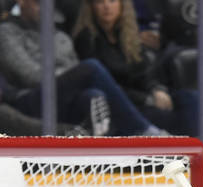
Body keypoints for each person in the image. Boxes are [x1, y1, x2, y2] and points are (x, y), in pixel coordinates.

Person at [0, 0, 166, 136]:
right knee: (90, 68)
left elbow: (74, 71)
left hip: (60, 98)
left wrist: (73, 77)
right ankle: (143, 129)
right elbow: (30, 76)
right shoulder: (7, 32)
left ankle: (104, 161)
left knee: (94, 95)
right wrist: (72, 77)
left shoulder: (60, 36)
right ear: (22, 2)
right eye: (38, 3)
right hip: (28, 100)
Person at [71, 0, 199, 136]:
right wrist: (146, 99)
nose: (107, 6)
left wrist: (156, 89)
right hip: (120, 106)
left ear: (122, 5)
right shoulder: (86, 38)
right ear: (91, 7)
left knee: (190, 97)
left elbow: (144, 72)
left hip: (143, 100)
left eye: (112, 1)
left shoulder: (128, 35)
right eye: (100, 2)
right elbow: (105, 85)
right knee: (170, 116)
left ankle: (199, 147)